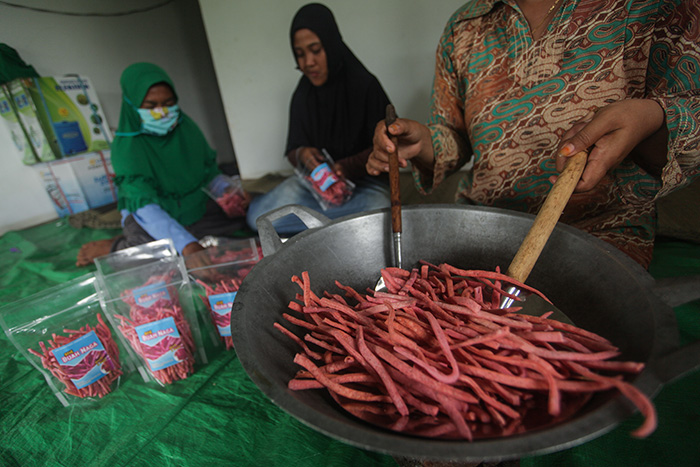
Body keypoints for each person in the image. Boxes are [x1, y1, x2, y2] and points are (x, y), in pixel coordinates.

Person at [367, 0, 700, 269]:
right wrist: (423, 143)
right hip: (481, 231)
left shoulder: (654, 8)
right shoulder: (464, 26)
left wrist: (652, 120)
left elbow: (690, 118)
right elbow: (454, 136)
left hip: (598, 239)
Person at [76, 62, 246, 266]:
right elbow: (145, 207)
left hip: (193, 206)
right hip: (150, 213)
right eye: (150, 106)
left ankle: (179, 236)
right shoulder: (127, 148)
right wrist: (187, 245)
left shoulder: (187, 130)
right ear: (132, 105)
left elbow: (209, 175)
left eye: (168, 103)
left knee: (245, 221)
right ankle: (116, 246)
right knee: (153, 257)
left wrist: (229, 194)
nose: (162, 112)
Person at [245, 3, 393, 236]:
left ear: (331, 45)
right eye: (300, 54)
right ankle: (341, 227)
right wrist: (302, 154)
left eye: (316, 50)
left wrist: (345, 167)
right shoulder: (304, 94)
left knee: (381, 209)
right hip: (316, 187)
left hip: (366, 185)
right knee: (258, 217)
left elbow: (387, 148)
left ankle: (317, 227)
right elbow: (294, 148)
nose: (308, 63)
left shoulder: (364, 86)